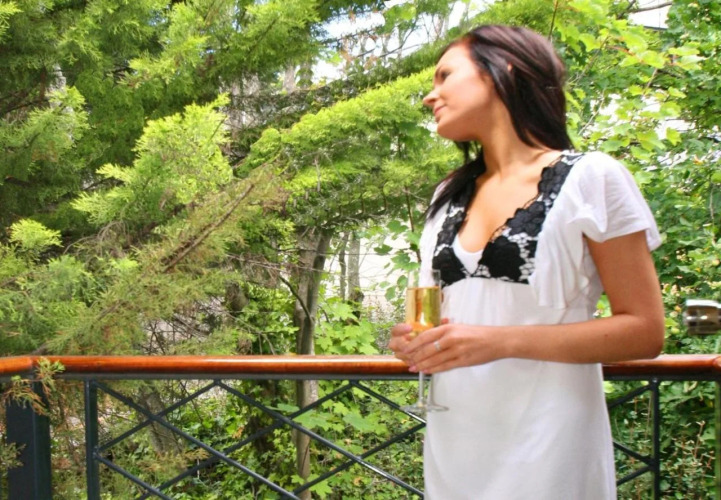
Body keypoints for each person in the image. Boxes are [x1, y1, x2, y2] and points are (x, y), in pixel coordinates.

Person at [388, 24, 665, 499]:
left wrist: (498, 341)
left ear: (505, 70)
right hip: (457, 439)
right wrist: (415, 343)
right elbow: (448, 316)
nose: (430, 96)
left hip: (549, 443)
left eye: (445, 75)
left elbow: (645, 330)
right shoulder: (448, 195)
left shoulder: (592, 177)